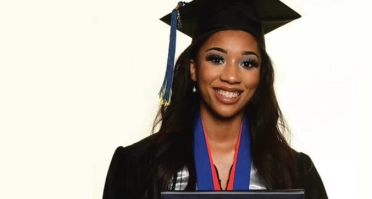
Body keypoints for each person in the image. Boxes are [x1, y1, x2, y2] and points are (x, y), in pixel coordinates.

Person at [103, 0, 328, 199]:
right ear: (193, 69)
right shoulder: (137, 166)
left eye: (248, 63)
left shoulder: (295, 171)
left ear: (260, 75)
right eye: (216, 59)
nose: (231, 76)